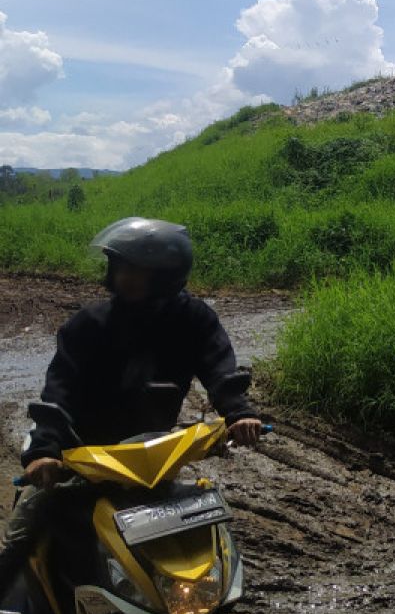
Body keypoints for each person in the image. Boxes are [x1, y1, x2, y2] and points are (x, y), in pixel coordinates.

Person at [0, 216, 264, 594]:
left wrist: (239, 412)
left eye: (139, 270)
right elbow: (59, 391)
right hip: (83, 454)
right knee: (28, 522)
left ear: (168, 275)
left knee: (208, 541)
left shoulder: (195, 320)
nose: (126, 276)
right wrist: (45, 450)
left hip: (151, 456)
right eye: (120, 266)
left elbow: (220, 371)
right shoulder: (87, 325)